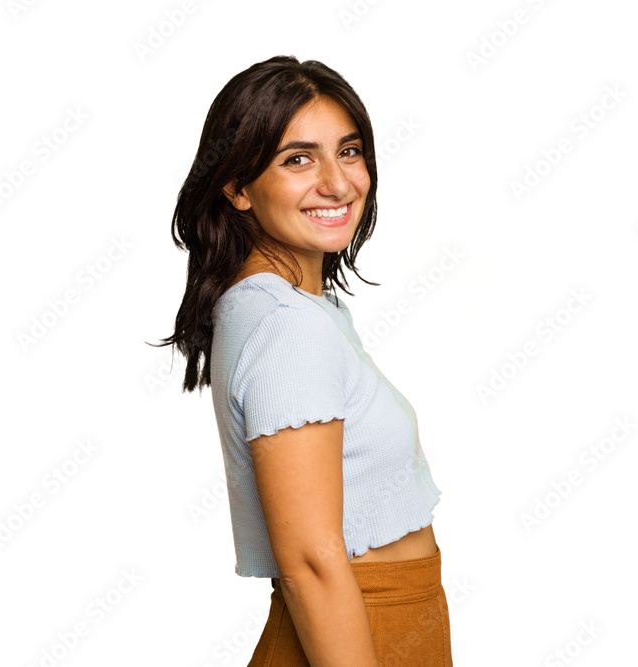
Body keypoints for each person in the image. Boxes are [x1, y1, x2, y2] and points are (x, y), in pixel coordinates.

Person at [150, 55, 452, 666]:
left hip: (382, 623)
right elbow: (311, 561)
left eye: (348, 150)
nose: (338, 183)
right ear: (236, 187)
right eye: (297, 159)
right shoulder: (289, 326)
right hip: (363, 630)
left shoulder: (273, 307)